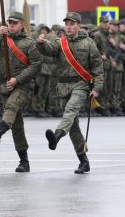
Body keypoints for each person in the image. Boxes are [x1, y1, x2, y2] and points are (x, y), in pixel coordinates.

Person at [36, 12, 104, 174]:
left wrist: (96, 88)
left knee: (70, 111)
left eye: (72, 24)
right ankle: (83, 161)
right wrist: (40, 43)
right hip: (63, 86)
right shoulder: (61, 42)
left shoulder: (88, 44)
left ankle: (57, 135)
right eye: (67, 24)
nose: (69, 27)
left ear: (78, 26)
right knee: (73, 126)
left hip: (81, 85)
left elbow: (98, 68)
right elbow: (49, 50)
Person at [0, 11, 42, 173]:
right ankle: (24, 161)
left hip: (23, 85)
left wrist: (18, 79)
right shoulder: (1, 40)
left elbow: (36, 65)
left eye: (15, 23)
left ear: (22, 24)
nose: (11, 25)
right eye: (9, 22)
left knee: (11, 107)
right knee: (17, 125)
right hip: (5, 87)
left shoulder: (29, 43)